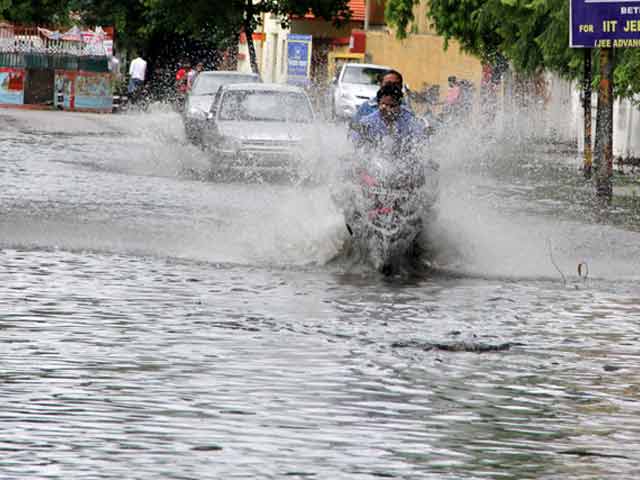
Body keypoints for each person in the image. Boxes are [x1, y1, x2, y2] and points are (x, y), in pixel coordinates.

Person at [351, 84, 427, 157]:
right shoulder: (367, 123)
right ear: (378, 103)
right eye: (383, 104)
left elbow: (420, 142)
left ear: (399, 105)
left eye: (392, 106)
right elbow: (356, 146)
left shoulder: (409, 119)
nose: (387, 109)